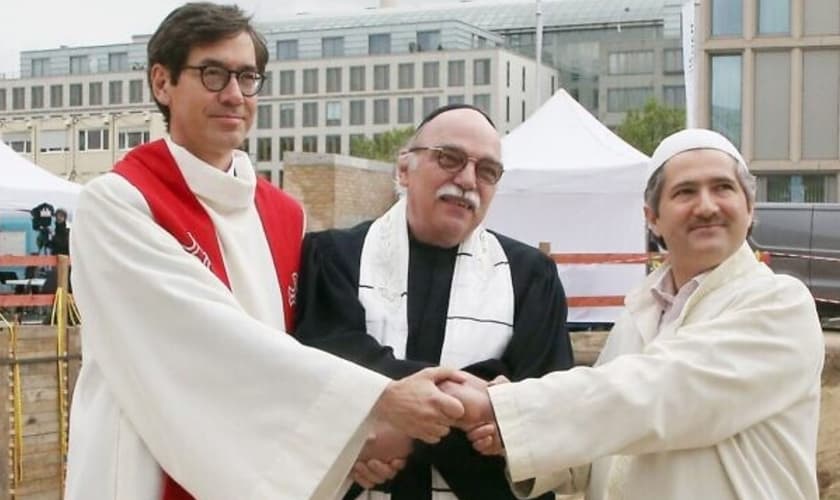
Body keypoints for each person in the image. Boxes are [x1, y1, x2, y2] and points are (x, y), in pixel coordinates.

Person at [66, 4, 470, 500]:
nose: (234, 95)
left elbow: (299, 350)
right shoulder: (119, 202)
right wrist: (378, 402)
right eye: (213, 74)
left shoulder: (284, 214)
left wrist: (357, 442)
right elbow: (207, 343)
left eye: (247, 77)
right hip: (144, 463)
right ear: (162, 82)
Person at [463, 129, 825, 499]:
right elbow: (608, 439)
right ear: (652, 217)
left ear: (749, 209)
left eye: (722, 188)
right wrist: (513, 437)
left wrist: (511, 410)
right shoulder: (639, 313)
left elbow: (661, 394)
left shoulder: (780, 304)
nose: (706, 206)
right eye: (685, 192)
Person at [295, 104, 574, 499]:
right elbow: (327, 367)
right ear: (404, 169)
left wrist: (394, 429)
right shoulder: (335, 257)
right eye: (449, 158)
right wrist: (482, 399)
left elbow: (546, 405)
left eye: (487, 171)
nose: (467, 180)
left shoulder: (531, 276)